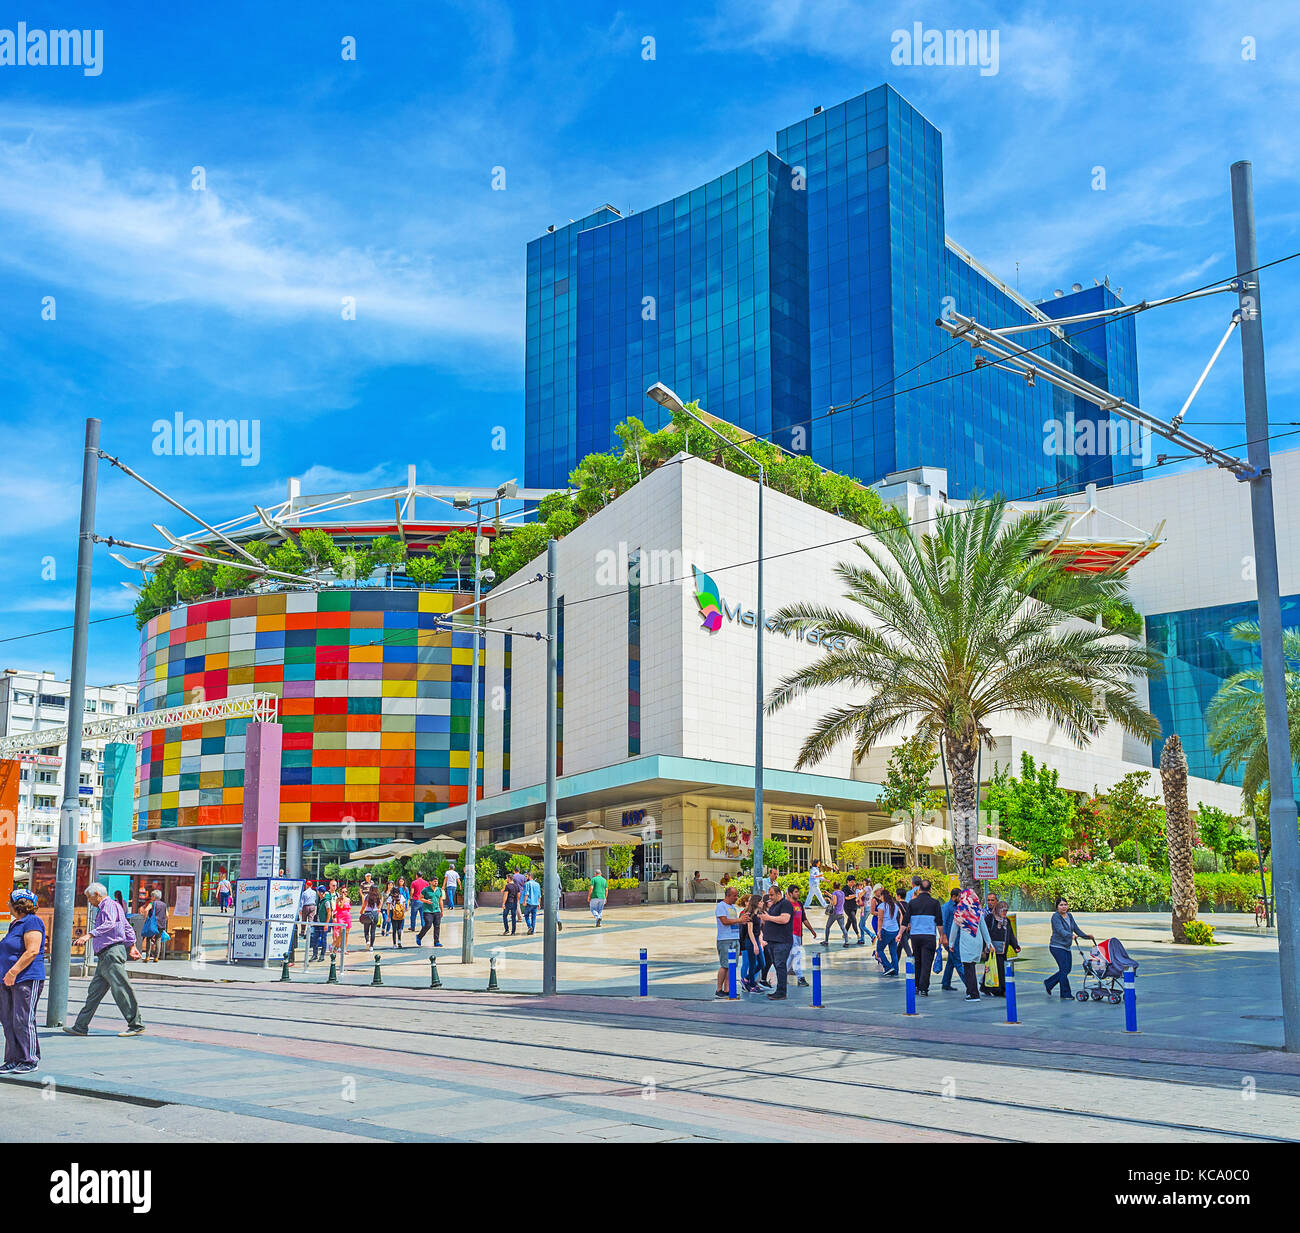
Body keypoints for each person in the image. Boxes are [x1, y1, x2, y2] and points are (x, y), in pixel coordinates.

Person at [65, 882, 145, 1037]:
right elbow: (126, 926)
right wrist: (132, 945)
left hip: (111, 952)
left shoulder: (108, 905)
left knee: (121, 988)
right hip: (105, 955)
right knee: (94, 992)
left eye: (89, 897)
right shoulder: (115, 906)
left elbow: (110, 923)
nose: (89, 901)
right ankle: (80, 1026)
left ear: (97, 895)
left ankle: (136, 1024)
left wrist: (89, 934)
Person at [0, 889, 46, 1073]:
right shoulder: (15, 924)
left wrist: (13, 972)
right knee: (8, 1019)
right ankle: (13, 1058)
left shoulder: (32, 921)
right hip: (8, 979)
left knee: (23, 1019)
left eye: (9, 901)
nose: (7, 905)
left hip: (26, 978)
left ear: (18, 904)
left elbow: (32, 950)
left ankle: (30, 1059)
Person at [1045, 897, 1093, 1001]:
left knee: (1067, 969)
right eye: (1061, 905)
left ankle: (1049, 983)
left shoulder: (1069, 916)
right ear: (1057, 907)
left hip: (1066, 946)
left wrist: (1086, 936)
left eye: (1065, 904)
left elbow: (1076, 928)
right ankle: (1065, 993)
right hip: (1056, 946)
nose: (1064, 907)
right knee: (1064, 970)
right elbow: (1060, 930)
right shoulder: (1055, 917)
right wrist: (1070, 936)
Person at [951, 888, 994, 1001]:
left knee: (968, 968)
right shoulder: (978, 912)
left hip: (966, 943)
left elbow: (954, 930)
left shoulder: (960, 912)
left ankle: (973, 993)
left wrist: (951, 943)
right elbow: (984, 928)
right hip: (978, 941)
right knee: (971, 967)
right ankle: (970, 991)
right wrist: (989, 943)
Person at [905, 878, 944, 996]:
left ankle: (916, 985)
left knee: (918, 960)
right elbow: (939, 922)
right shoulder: (935, 903)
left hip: (915, 936)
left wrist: (900, 934)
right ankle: (923, 988)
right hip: (929, 936)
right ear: (930, 889)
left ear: (919, 889)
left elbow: (905, 921)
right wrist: (941, 936)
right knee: (927, 962)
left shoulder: (912, 903)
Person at [759, 884, 795, 1000]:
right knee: (777, 966)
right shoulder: (774, 905)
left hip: (782, 941)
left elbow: (785, 919)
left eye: (772, 895)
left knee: (780, 966)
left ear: (779, 894)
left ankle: (781, 992)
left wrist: (768, 918)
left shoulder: (785, 904)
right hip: (773, 941)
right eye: (769, 895)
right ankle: (779, 990)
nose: (770, 897)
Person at [982, 901, 1019, 997]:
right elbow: (985, 933)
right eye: (1003, 911)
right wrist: (985, 947)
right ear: (998, 910)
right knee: (994, 969)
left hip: (1002, 950)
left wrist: (1015, 946)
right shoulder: (990, 918)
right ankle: (1000, 990)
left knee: (998, 969)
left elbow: (1010, 935)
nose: (1004, 913)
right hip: (992, 950)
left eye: (1006, 911)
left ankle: (986, 987)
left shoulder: (1007, 921)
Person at [714, 886, 743, 997]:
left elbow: (733, 921)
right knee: (725, 965)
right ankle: (719, 988)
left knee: (732, 965)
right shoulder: (721, 906)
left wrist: (741, 922)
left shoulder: (732, 907)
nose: (736, 898)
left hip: (734, 937)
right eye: (734, 895)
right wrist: (739, 920)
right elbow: (725, 921)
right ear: (728, 895)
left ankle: (728, 989)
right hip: (725, 939)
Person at [788, 886, 816, 987]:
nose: (798, 894)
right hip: (791, 934)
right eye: (796, 892)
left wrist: (812, 930)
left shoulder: (799, 904)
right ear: (790, 893)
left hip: (799, 934)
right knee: (797, 955)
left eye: (798, 892)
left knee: (791, 956)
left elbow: (804, 918)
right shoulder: (787, 905)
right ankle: (800, 978)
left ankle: (781, 975)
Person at [876, 885, 905, 975]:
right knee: (893, 952)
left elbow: (880, 919)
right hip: (895, 930)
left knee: (879, 950)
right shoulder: (895, 906)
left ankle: (888, 967)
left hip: (886, 930)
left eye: (880, 896)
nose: (879, 898)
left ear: (883, 896)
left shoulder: (881, 906)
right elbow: (900, 916)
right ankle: (895, 970)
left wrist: (878, 931)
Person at [939, 888, 964, 991]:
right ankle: (970, 985)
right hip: (949, 940)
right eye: (959, 896)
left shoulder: (958, 906)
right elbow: (943, 922)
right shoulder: (946, 907)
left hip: (956, 938)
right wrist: (943, 937)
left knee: (951, 961)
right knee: (958, 961)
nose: (961, 898)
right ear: (954, 897)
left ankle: (946, 983)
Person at [141, 889, 169, 963]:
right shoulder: (164, 904)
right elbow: (167, 915)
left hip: (152, 924)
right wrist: (163, 920)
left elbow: (146, 910)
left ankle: (147, 956)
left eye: (151, 896)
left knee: (149, 939)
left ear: (154, 896)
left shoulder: (152, 903)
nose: (151, 897)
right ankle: (156, 957)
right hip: (161, 924)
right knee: (158, 940)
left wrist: (146, 919)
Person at [416, 880, 443, 946]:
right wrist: (426, 901)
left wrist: (442, 911)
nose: (436, 882)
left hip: (437, 910)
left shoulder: (439, 890)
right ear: (430, 882)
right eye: (434, 881)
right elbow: (420, 898)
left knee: (437, 926)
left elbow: (440, 900)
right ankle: (419, 936)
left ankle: (436, 942)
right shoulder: (425, 890)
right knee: (428, 925)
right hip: (427, 911)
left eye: (437, 881)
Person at [360, 881, 382, 951]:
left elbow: (364, 905)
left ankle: (367, 941)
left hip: (368, 913)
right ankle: (371, 946)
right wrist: (378, 909)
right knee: (373, 931)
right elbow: (379, 905)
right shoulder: (378, 896)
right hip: (375, 914)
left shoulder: (367, 896)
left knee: (366, 930)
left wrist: (361, 912)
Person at [333, 886, 353, 955]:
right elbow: (340, 906)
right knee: (342, 933)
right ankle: (336, 946)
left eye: (346, 892)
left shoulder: (348, 899)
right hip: (340, 916)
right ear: (340, 892)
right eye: (343, 892)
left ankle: (344, 949)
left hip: (347, 916)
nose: (344, 893)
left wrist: (345, 899)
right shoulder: (338, 899)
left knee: (346, 933)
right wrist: (343, 899)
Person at [386, 882, 406, 947]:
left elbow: (388, 908)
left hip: (393, 913)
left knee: (394, 929)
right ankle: (399, 941)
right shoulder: (401, 896)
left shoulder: (390, 897)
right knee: (399, 928)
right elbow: (403, 906)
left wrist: (388, 916)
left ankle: (394, 944)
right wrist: (402, 913)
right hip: (400, 913)